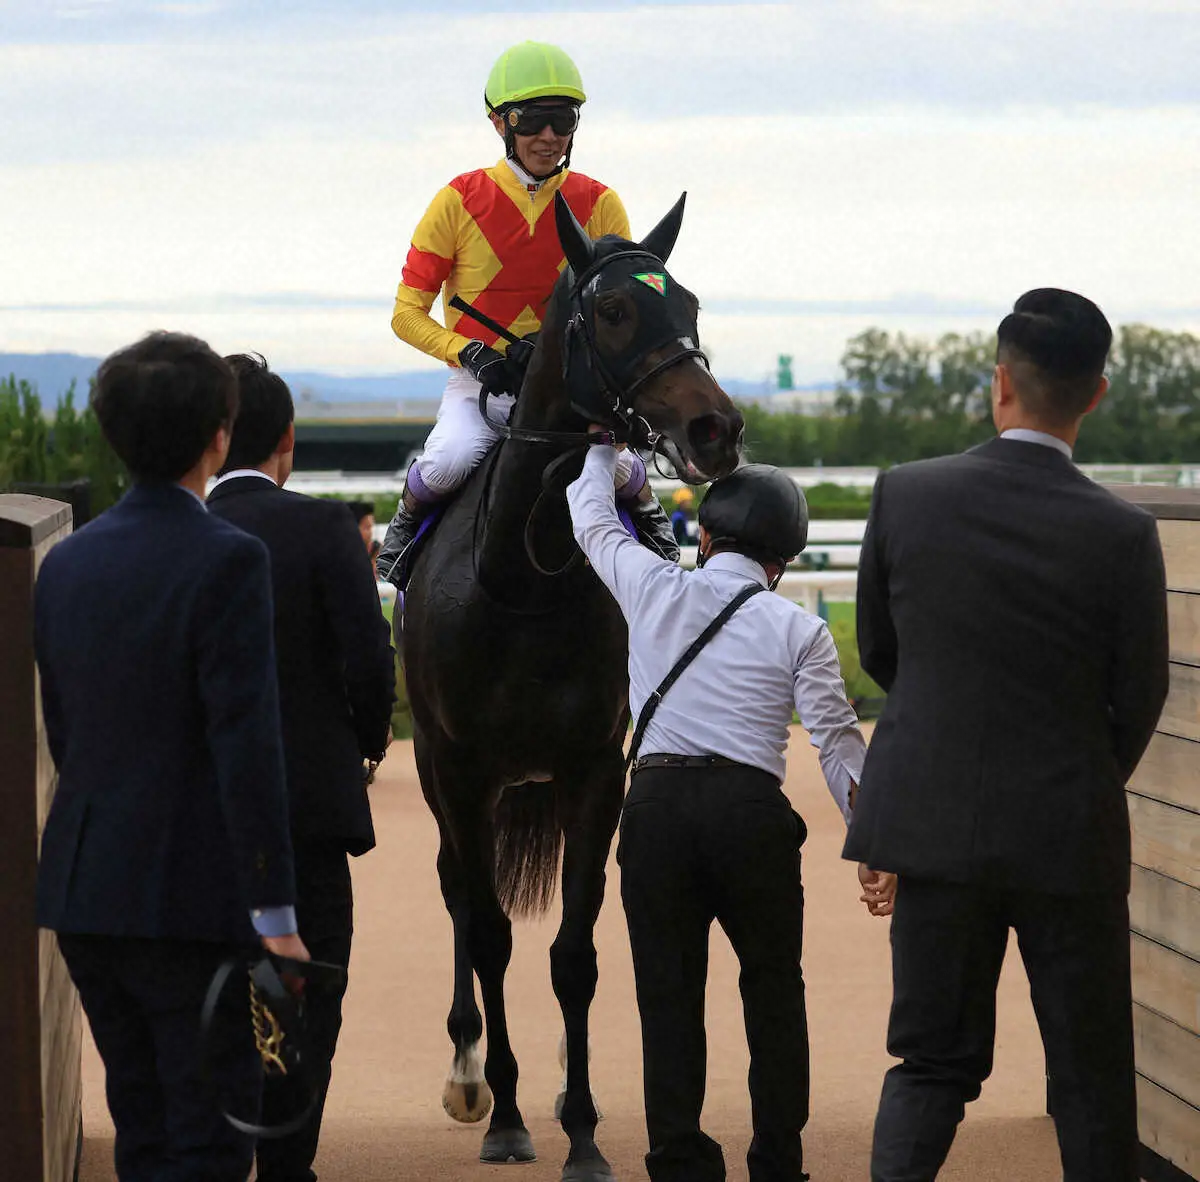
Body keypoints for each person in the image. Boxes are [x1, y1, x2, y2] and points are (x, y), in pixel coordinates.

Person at [844, 288, 1171, 1182]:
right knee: (1092, 1078)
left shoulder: (906, 495)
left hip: (935, 829)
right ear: (1095, 394)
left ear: (1001, 382)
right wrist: (1081, 779)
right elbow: (1138, 694)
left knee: (932, 1064)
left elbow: (882, 651)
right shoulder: (1122, 531)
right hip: (1069, 834)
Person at [34, 332, 307, 1182]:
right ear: (219, 436)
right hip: (192, 898)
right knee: (209, 1137)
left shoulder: (67, 561)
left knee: (142, 1124)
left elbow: (67, 731)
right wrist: (277, 916)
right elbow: (247, 744)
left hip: (84, 890)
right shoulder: (229, 558)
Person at [567, 450, 878, 1182]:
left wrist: (601, 444)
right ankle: (777, 1162)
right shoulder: (800, 630)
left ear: (703, 538)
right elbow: (837, 745)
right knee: (774, 991)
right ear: (782, 560)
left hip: (656, 808)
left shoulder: (649, 584)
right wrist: (874, 847)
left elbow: (588, 515)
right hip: (750, 815)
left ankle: (678, 1161)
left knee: (667, 998)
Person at [378, 39, 677, 582]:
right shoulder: (457, 200)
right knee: (447, 462)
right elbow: (406, 312)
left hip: (577, 391)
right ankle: (402, 534)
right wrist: (469, 352)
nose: (549, 137)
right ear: (500, 122)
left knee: (626, 470)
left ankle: (657, 535)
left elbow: (624, 311)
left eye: (562, 121)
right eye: (535, 120)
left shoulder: (599, 201)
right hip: (480, 386)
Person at [207, 354, 396, 1182]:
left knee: (208, 997)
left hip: (199, 822)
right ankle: (288, 1163)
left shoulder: (180, 532)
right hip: (307, 814)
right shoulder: (325, 530)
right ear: (288, 439)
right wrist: (364, 745)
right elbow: (368, 662)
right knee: (305, 997)